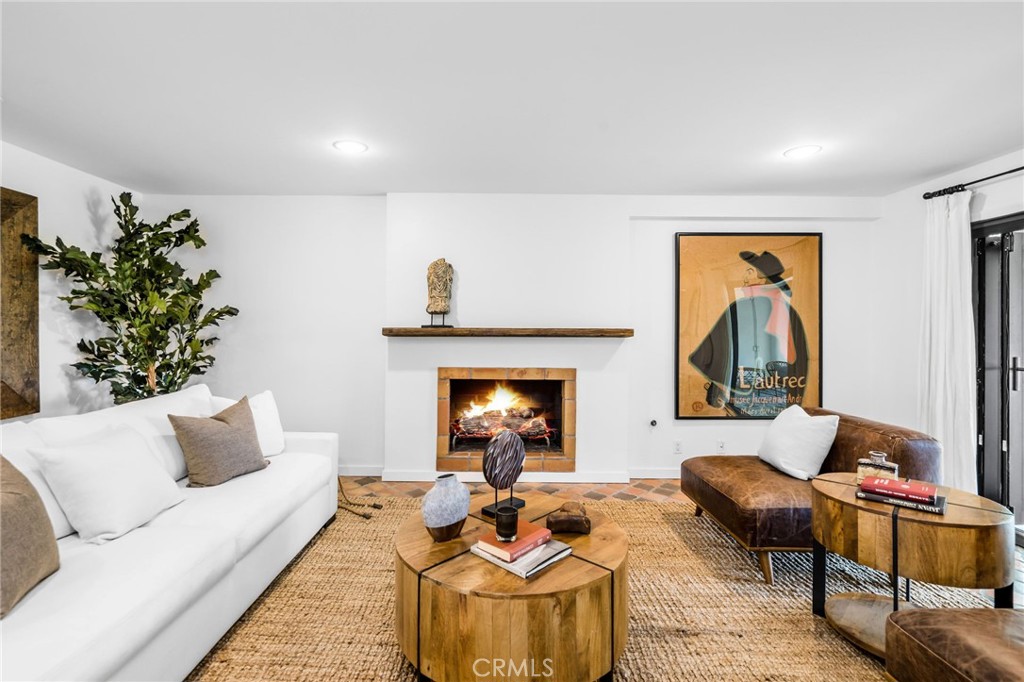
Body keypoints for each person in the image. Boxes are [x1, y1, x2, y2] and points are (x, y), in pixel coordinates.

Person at [688, 250, 809, 417]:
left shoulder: (754, 308)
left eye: (751, 271)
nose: (746, 279)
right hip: (767, 393)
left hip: (758, 392)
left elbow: (706, 355)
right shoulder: (785, 310)